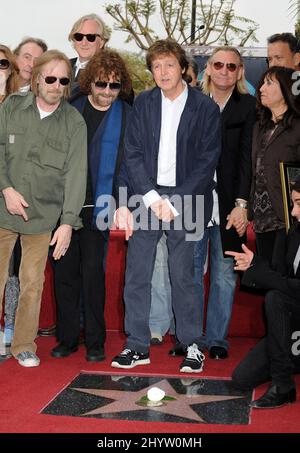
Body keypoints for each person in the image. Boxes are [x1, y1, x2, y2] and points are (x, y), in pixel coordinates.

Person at [112, 39, 221, 373]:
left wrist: (175, 200)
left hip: (186, 200)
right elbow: (131, 153)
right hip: (147, 197)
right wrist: (148, 197)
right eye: (156, 66)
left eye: (169, 65)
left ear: (183, 67)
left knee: (184, 276)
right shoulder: (143, 103)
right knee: (137, 274)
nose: (162, 72)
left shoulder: (205, 107)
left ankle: (191, 344)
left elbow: (208, 160)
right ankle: (136, 345)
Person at [0, 49, 87, 367]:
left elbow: (77, 174)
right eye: (50, 78)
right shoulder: (11, 107)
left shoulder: (74, 122)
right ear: (36, 78)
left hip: (42, 217)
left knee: (32, 283)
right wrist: (6, 188)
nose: (56, 85)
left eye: (63, 80)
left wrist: (67, 223)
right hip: (2, 208)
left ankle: (23, 345)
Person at [172, 47, 255, 360]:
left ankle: (217, 339)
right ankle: (188, 338)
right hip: (194, 201)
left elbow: (248, 158)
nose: (224, 71)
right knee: (189, 271)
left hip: (230, 205)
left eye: (231, 66)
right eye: (218, 64)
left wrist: (241, 204)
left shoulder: (248, 106)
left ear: (240, 71)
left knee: (223, 275)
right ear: (208, 68)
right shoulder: (190, 102)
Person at [51, 49, 132, 362]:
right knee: (64, 273)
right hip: (63, 204)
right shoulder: (70, 108)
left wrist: (123, 203)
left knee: (93, 274)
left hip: (99, 205)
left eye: (114, 86)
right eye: (101, 84)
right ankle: (68, 338)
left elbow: (129, 162)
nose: (107, 92)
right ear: (89, 83)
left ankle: (95, 341)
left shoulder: (128, 113)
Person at [226, 178, 300, 409]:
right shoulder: (295, 232)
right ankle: (291, 358)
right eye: (293, 203)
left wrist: (259, 271)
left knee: (276, 299)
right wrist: (254, 264)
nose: (294, 211)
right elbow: (280, 276)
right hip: (295, 323)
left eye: (298, 203)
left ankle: (283, 384)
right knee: (242, 379)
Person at [248, 66, 300, 266]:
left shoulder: (297, 127)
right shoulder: (259, 127)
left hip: (287, 218)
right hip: (261, 220)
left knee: (282, 280)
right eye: (262, 82)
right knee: (267, 278)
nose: (261, 88)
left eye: (269, 83)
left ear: (286, 89)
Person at [0, 44, 20, 353]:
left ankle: (10, 326)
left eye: (3, 63)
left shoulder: (18, 106)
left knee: (12, 268)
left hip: (11, 194)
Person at [68, 14, 110, 98]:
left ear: (102, 42)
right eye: (79, 36)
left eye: (91, 37)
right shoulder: (63, 66)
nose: (84, 43)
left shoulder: (111, 71)